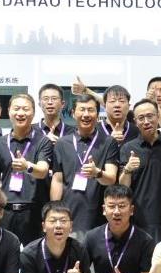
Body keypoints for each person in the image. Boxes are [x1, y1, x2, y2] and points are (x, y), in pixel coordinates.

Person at [0, 93, 53, 245]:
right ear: (9, 111)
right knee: (5, 253)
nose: (21, 113)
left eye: (25, 109)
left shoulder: (43, 141)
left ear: (33, 112)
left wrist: (27, 166)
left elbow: (43, 171)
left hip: (34, 211)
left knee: (35, 255)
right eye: (16, 108)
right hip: (6, 211)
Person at [51, 94, 119, 237]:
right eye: (82, 109)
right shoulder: (62, 143)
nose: (86, 114)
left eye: (91, 110)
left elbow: (112, 178)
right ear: (73, 113)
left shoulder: (109, 142)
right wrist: (55, 211)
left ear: (97, 114)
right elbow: (57, 180)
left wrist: (97, 173)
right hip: (69, 214)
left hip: (98, 215)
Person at [119, 98, 161, 235]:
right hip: (139, 217)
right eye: (141, 118)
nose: (146, 121)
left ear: (158, 117)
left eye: (150, 116)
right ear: (135, 121)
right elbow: (123, 186)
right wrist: (128, 169)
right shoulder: (128, 148)